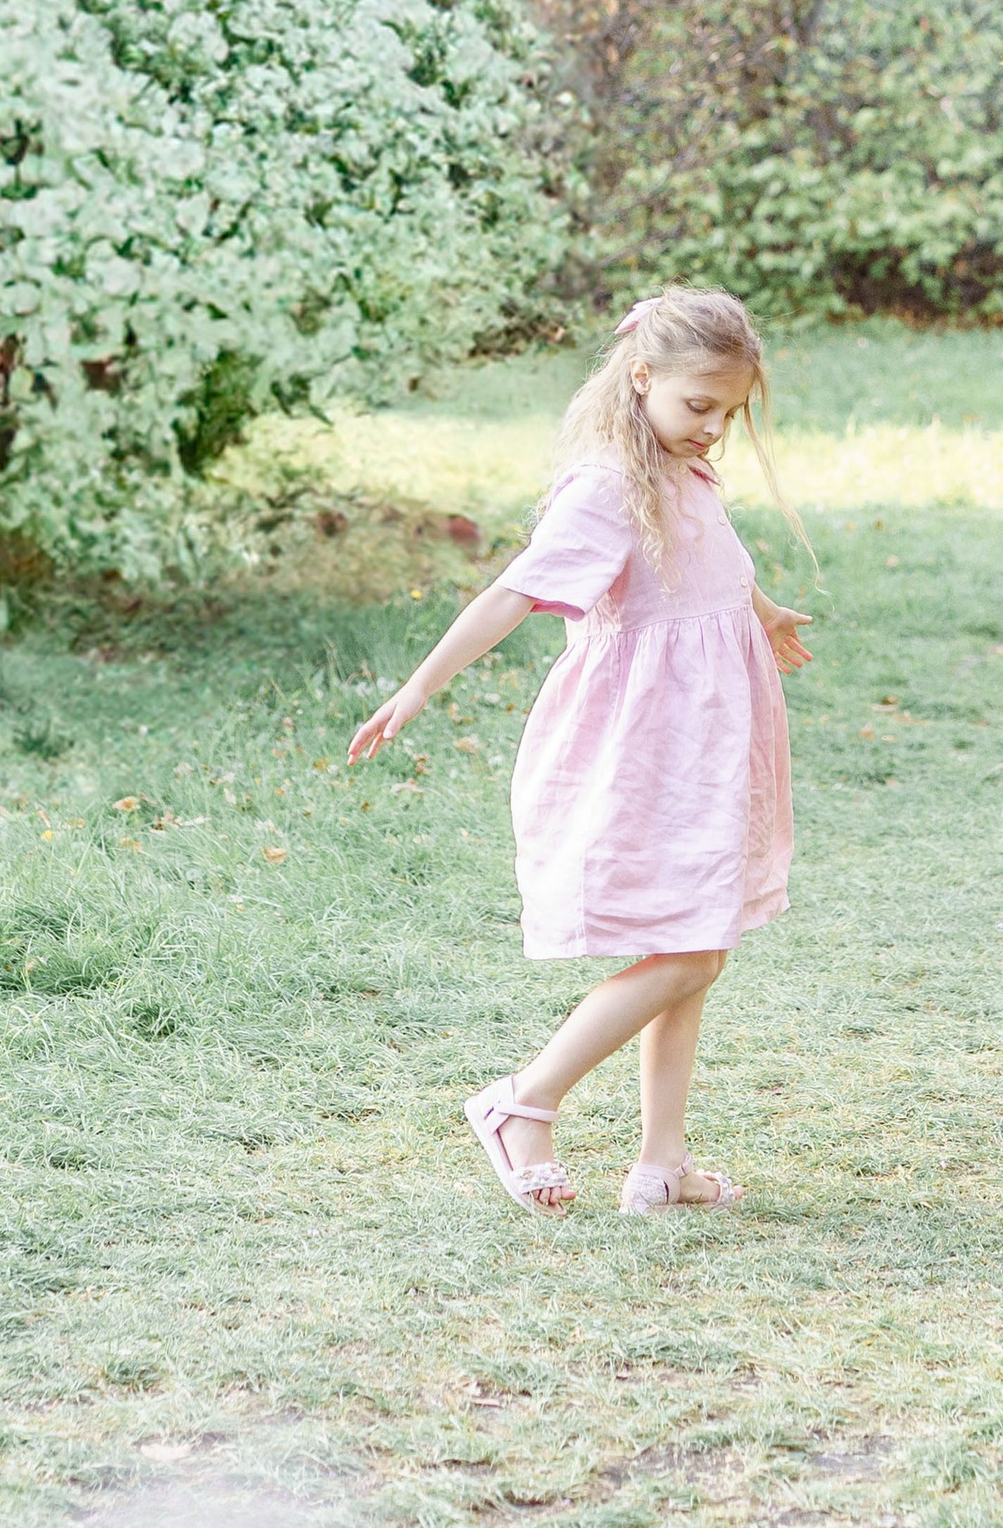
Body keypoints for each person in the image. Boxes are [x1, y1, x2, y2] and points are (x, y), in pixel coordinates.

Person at [347, 285, 811, 1216]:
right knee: (690, 953)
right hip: (648, 748)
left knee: (695, 939)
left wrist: (762, 612)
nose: (713, 428)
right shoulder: (606, 487)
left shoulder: (683, 471)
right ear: (640, 377)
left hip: (706, 746)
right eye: (698, 404)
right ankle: (523, 1100)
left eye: (728, 412)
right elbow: (514, 592)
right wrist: (421, 684)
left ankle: (662, 1164)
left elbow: (714, 562)